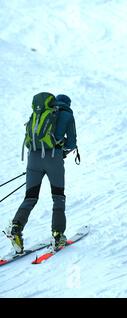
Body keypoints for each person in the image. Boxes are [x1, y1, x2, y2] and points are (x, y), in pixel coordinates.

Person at [5, 93, 78, 253]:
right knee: (58, 197)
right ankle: (58, 236)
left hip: (33, 158)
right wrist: (61, 150)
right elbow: (71, 143)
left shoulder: (39, 113)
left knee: (30, 197)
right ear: (68, 104)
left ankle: (16, 227)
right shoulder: (67, 115)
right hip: (53, 159)